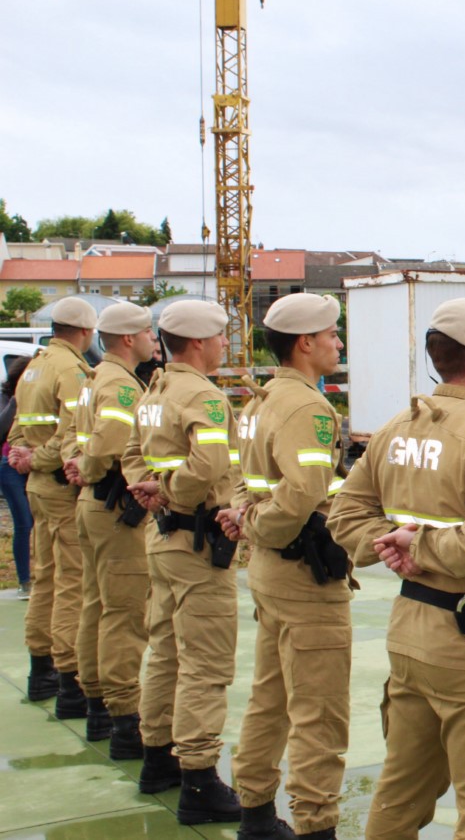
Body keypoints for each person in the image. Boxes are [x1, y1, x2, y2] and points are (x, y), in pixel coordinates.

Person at [328, 297, 465, 840]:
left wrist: (389, 547)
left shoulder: (399, 427)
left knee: (401, 793)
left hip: (411, 639)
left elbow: (346, 512)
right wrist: (413, 549)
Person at [224, 293, 350, 840]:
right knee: (318, 711)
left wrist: (242, 515)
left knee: (271, 695)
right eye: (332, 334)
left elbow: (239, 473)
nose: (338, 343)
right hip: (302, 577)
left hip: (272, 570)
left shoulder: (260, 402)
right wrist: (253, 523)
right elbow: (301, 495)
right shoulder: (308, 408)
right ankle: (315, 824)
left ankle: (255, 809)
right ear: (306, 343)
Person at [122, 301, 242, 825]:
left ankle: (158, 760)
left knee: (167, 650)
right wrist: (170, 492)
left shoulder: (156, 389)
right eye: (220, 338)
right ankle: (198, 777)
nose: (223, 347)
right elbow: (210, 463)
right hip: (194, 539)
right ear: (199, 342)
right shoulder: (201, 394)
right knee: (205, 662)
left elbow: (130, 452)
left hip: (163, 537)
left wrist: (149, 489)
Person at [62, 302, 156, 757]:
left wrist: (80, 464)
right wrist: (89, 465)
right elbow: (110, 443)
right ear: (126, 339)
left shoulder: (97, 377)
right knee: (123, 611)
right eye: (147, 332)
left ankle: (97, 701)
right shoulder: (119, 383)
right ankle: (122, 717)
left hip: (92, 504)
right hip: (112, 505)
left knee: (96, 603)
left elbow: (79, 438)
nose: (153, 339)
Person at [9, 297, 96, 713]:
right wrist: (41, 459)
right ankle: (68, 675)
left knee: (45, 576)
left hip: (37, 486)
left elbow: (15, 428)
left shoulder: (35, 367)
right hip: (60, 485)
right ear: (84, 332)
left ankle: (39, 665)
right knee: (72, 581)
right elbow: (74, 433)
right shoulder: (71, 371)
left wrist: (25, 457)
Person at [0, 356, 33, 600]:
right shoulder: (6, 399)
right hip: (8, 466)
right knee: (23, 521)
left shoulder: (39, 400)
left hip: (34, 464)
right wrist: (15, 402)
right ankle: (24, 580)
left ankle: (41, 575)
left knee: (38, 519)